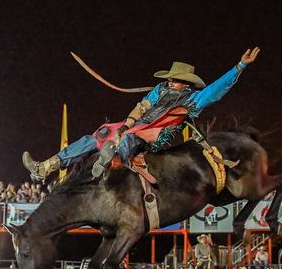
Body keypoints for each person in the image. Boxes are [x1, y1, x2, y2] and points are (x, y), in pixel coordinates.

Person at [22, 47, 261, 180]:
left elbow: (217, 89)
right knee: (98, 135)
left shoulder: (193, 100)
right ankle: (46, 167)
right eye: (169, 78)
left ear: (183, 83)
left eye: (173, 79)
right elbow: (143, 105)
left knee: (128, 140)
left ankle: (108, 161)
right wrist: (128, 122)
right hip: (138, 125)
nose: (169, 81)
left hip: (157, 134)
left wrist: (239, 66)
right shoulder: (160, 89)